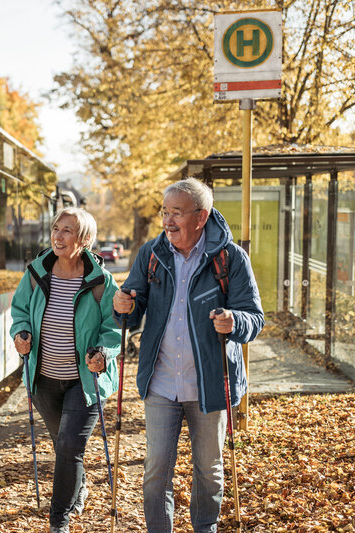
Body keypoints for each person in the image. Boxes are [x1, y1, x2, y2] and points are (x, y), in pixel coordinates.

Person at [112, 178, 264, 533]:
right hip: (162, 381)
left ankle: (205, 527)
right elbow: (130, 311)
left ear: (201, 216)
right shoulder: (152, 254)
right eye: (164, 212)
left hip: (210, 382)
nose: (167, 220)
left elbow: (253, 318)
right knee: (155, 471)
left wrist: (233, 321)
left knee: (208, 470)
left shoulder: (230, 258)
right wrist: (124, 306)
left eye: (176, 213)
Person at [10, 207, 121, 533]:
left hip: (83, 382)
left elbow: (113, 327)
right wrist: (20, 334)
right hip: (43, 380)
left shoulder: (101, 282)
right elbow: (19, 311)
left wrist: (103, 352)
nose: (58, 236)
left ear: (84, 239)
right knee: (64, 445)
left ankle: (60, 520)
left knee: (71, 448)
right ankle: (79, 484)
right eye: (56, 229)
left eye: (67, 231)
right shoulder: (36, 273)